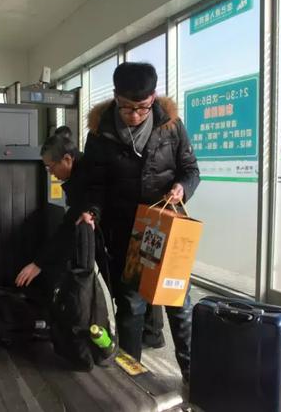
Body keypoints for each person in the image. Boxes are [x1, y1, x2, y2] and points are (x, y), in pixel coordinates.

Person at [80, 62, 200, 382]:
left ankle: (192, 374)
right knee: (131, 306)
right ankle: (131, 377)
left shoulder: (171, 126)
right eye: (126, 107)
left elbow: (191, 170)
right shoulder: (100, 133)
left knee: (178, 302)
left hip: (166, 227)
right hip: (126, 232)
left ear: (154, 97)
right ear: (115, 96)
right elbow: (94, 185)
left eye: (142, 107)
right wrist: (92, 211)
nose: (134, 115)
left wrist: (181, 187)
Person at [15, 127, 100, 289]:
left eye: (51, 167)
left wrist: (38, 264)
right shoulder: (79, 175)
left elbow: (68, 227)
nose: (50, 173)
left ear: (67, 159)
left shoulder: (86, 179)